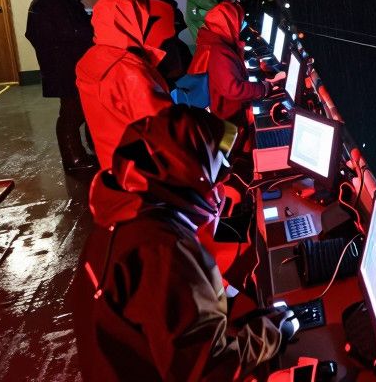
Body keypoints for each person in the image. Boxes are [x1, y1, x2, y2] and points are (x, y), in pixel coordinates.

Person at [71, 105, 297, 380]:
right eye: (218, 173)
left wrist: (235, 315)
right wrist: (272, 332)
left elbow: (167, 322)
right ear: (192, 174)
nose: (219, 187)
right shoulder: (163, 249)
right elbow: (208, 371)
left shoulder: (116, 221)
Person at [75, 0, 174, 168]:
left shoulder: (92, 58)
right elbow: (163, 128)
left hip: (114, 162)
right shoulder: (129, 71)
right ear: (130, 22)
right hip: (147, 170)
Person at [24, 0, 96, 172]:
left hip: (68, 65)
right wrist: (92, 32)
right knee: (72, 114)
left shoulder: (55, 0)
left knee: (75, 111)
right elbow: (67, 32)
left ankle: (80, 154)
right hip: (65, 67)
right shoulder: (50, 3)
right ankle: (73, 158)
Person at [189, 1, 284, 131]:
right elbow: (233, 89)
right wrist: (264, 88)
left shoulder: (211, 43)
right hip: (229, 123)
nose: (241, 26)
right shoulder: (218, 51)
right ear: (228, 23)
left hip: (222, 117)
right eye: (239, 22)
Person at [120, 0, 191, 87]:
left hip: (134, 66)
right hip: (166, 68)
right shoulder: (165, 8)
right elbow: (176, 34)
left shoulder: (125, 4)